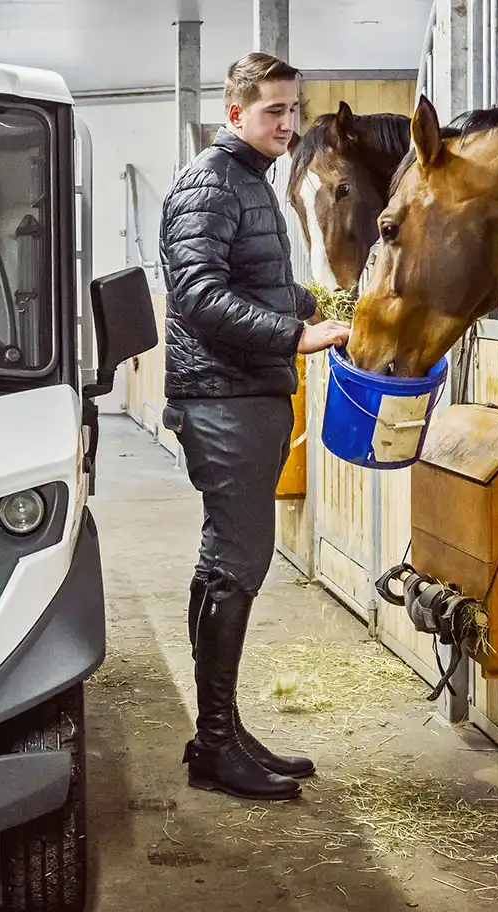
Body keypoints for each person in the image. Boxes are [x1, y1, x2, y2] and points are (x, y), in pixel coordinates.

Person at [158, 52, 352, 801]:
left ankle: (221, 732)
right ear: (234, 112)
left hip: (243, 392)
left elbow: (252, 279)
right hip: (224, 397)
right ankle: (214, 742)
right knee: (236, 562)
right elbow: (199, 294)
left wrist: (318, 304)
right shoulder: (210, 182)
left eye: (294, 109)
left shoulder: (245, 182)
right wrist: (292, 335)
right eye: (273, 110)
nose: (288, 123)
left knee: (228, 564)